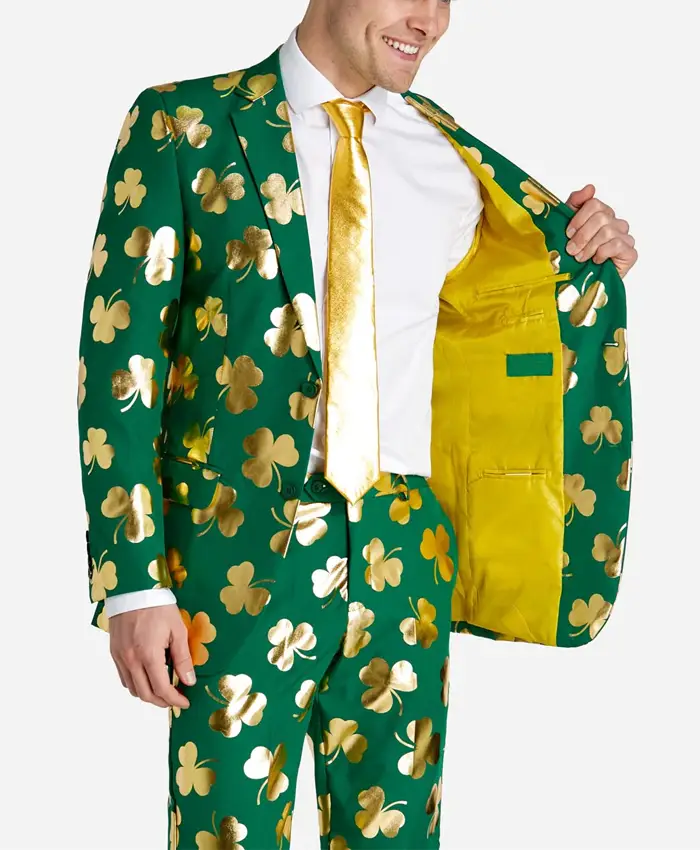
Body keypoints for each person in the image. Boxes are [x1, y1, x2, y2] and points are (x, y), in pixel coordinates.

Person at [77, 0, 637, 847]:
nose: (431, 19)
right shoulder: (184, 125)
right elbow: (120, 366)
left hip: (406, 547)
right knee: (225, 836)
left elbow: (535, 290)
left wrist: (594, 252)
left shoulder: (447, 154)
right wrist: (133, 582)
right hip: (234, 556)